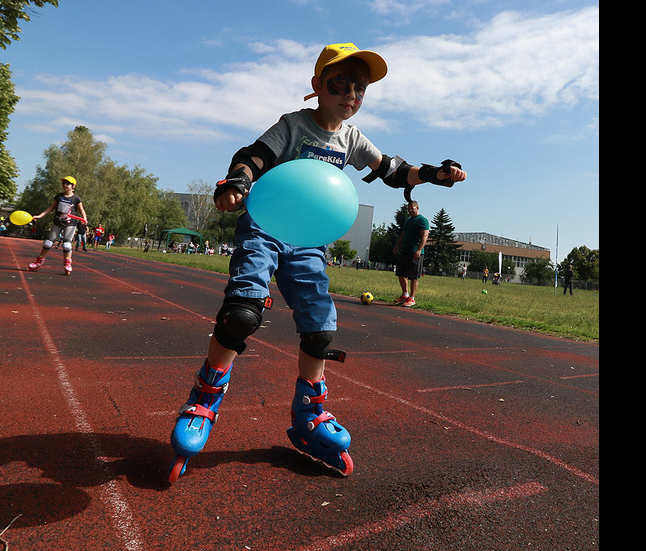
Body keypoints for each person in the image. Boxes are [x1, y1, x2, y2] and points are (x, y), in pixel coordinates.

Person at [168, 42, 466, 482]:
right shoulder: (293, 126)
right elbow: (254, 156)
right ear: (316, 86)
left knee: (321, 326)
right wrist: (236, 182)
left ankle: (309, 411)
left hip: (308, 241)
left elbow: (392, 170)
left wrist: (434, 175)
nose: (350, 94)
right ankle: (205, 396)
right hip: (265, 227)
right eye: (339, 84)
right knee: (241, 313)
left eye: (359, 89)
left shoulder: (352, 138)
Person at [26, 176, 88, 275]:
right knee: (48, 243)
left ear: (73, 186)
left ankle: (67, 263)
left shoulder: (76, 198)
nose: (65, 185)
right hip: (58, 222)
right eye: (64, 183)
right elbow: (50, 208)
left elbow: (81, 210)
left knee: (67, 244)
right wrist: (40, 216)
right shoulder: (59, 196)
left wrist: (84, 218)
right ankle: (39, 262)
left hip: (70, 223)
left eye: (67, 184)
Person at [393, 201, 429, 307]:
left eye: (412, 208)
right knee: (400, 273)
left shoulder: (422, 220)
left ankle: (412, 298)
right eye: (408, 209)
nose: (410, 210)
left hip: (415, 253)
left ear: (417, 208)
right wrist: (397, 245)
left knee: (413, 276)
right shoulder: (408, 220)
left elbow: (425, 236)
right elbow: (404, 234)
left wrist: (419, 250)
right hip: (405, 250)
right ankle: (405, 294)